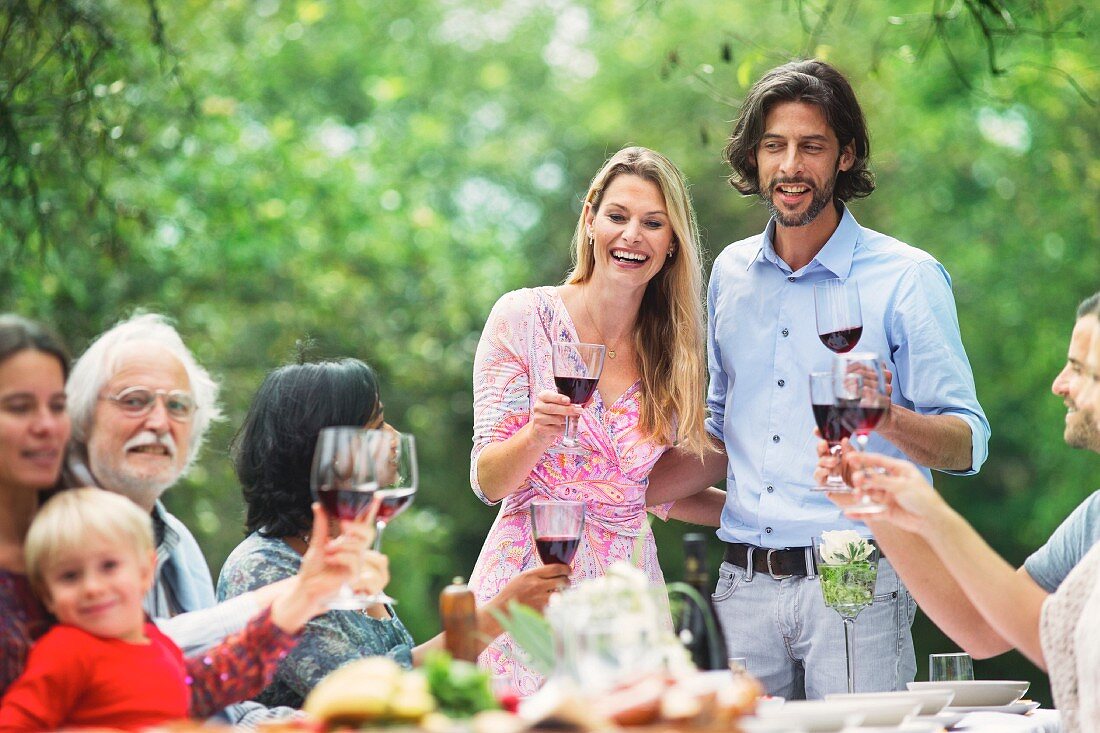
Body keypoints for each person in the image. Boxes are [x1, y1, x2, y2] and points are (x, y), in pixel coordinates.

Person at [646, 59, 989, 699]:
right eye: (774, 146)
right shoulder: (730, 273)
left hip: (853, 568)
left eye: (812, 146)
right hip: (741, 582)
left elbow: (968, 442)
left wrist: (885, 418)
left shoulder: (906, 277)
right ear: (754, 158)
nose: (790, 166)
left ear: (846, 156)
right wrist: (622, 484)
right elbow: (721, 431)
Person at [467, 145, 725, 694]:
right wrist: (538, 434)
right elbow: (490, 481)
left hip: (626, 597)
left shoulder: (676, 353)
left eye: (653, 223)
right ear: (590, 219)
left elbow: (647, 490)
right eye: (618, 216)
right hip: (529, 585)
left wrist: (769, 514)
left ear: (672, 243)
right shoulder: (522, 317)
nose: (633, 235)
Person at [218, 359, 570, 710]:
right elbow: (360, 693)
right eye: (376, 426)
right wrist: (497, 615)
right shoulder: (261, 569)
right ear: (325, 451)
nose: (395, 438)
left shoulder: (341, 560)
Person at [835, 313, 1100, 733]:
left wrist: (933, 513)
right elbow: (984, 630)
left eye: (1082, 370)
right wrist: (872, 504)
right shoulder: (1094, 517)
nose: (1060, 384)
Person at [0, 488, 363, 731]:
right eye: (69, 576)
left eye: (109, 567)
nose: (93, 587)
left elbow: (212, 682)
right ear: (47, 596)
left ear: (145, 571)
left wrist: (301, 602)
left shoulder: (155, 643)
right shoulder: (66, 650)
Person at [64, 313, 293, 658]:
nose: (158, 422)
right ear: (82, 418)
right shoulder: (51, 528)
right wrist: (271, 601)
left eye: (176, 405)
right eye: (134, 400)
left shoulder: (178, 540)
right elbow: (117, 657)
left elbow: (203, 691)